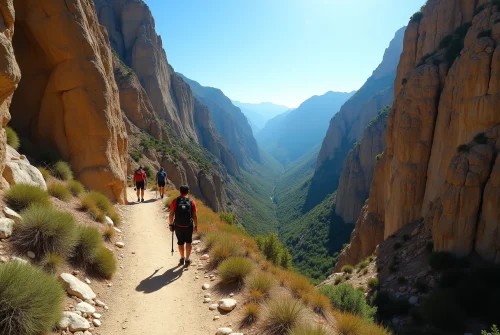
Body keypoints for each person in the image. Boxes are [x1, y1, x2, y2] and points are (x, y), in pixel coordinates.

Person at [169, 185, 198, 266]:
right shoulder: (191, 201)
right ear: (187, 191)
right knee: (188, 242)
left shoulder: (175, 201)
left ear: (180, 191)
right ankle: (187, 259)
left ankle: (182, 258)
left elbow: (171, 214)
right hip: (188, 226)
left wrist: (171, 225)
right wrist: (196, 226)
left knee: (180, 242)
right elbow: (195, 216)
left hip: (178, 226)